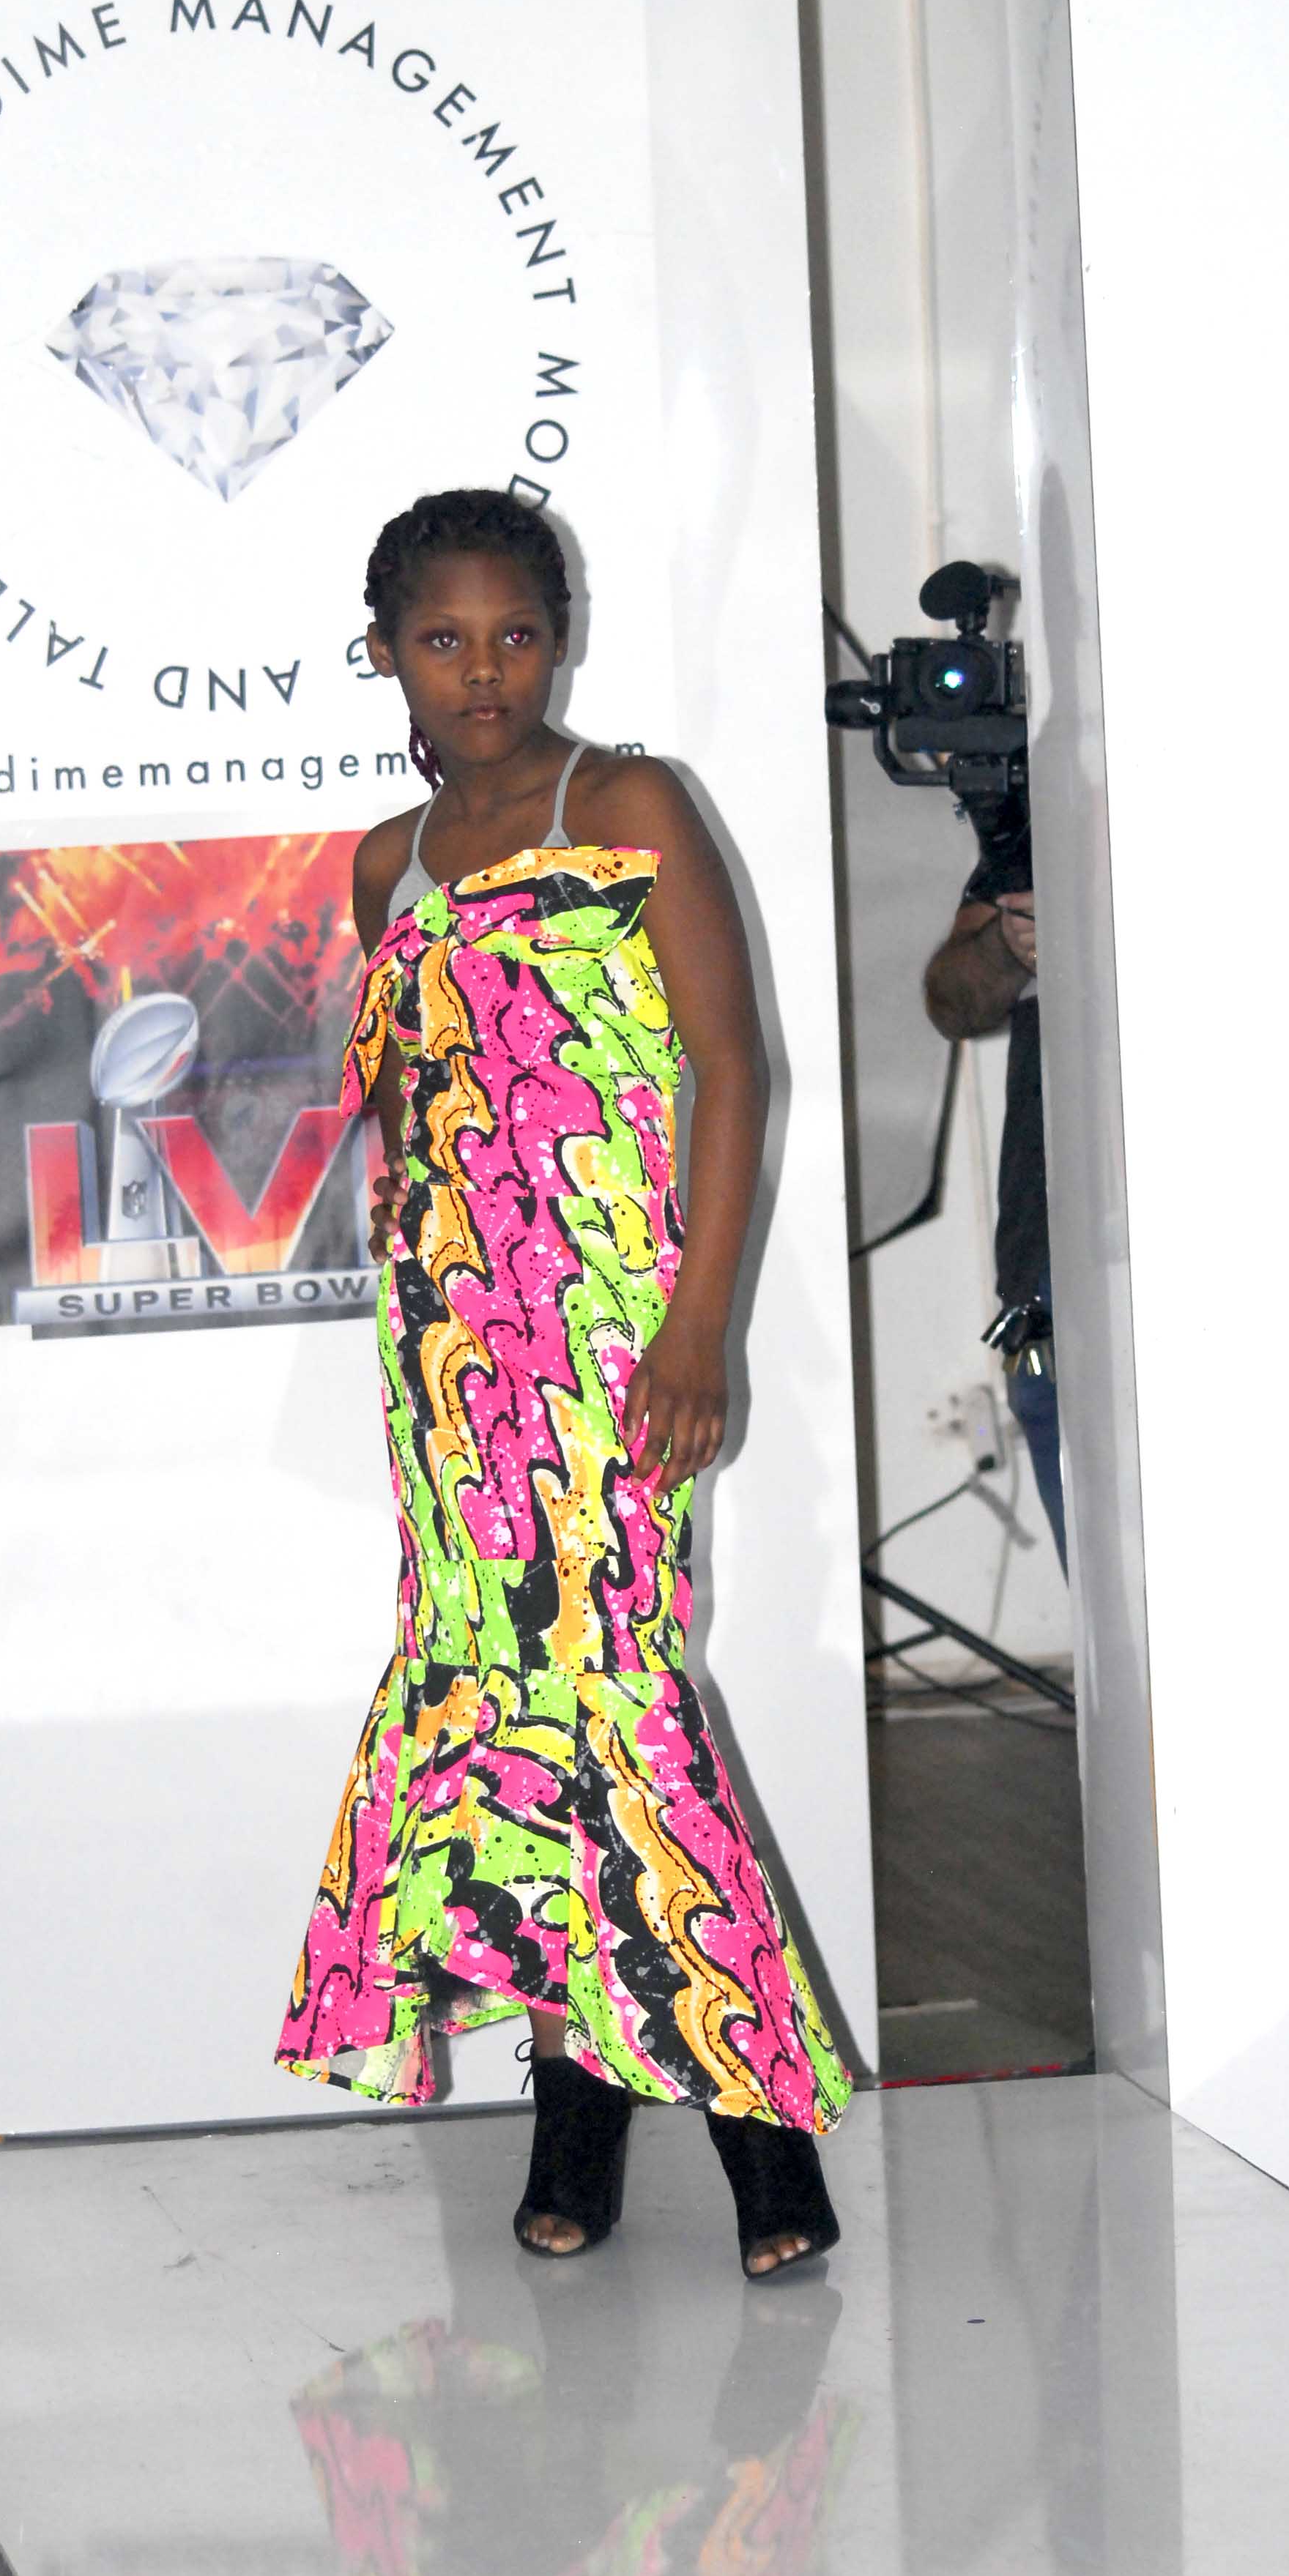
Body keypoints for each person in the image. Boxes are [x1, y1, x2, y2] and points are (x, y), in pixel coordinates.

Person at [275, 488, 848, 2274]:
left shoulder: (629, 804)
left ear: (560, 639)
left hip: (613, 1342)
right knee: (503, 1719)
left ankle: (762, 2136)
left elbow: (733, 1071)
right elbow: (409, 1111)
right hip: (450, 1364)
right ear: (385, 653)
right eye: (443, 640)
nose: (483, 672)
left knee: (623, 1706)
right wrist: (424, 1287)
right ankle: (577, 2106)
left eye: (514, 634)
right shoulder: (384, 861)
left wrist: (698, 1323)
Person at [921, 794, 1066, 1567]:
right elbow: (953, 1001)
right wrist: (1013, 942)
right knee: (1048, 1399)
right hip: (1051, 1229)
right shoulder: (1043, 807)